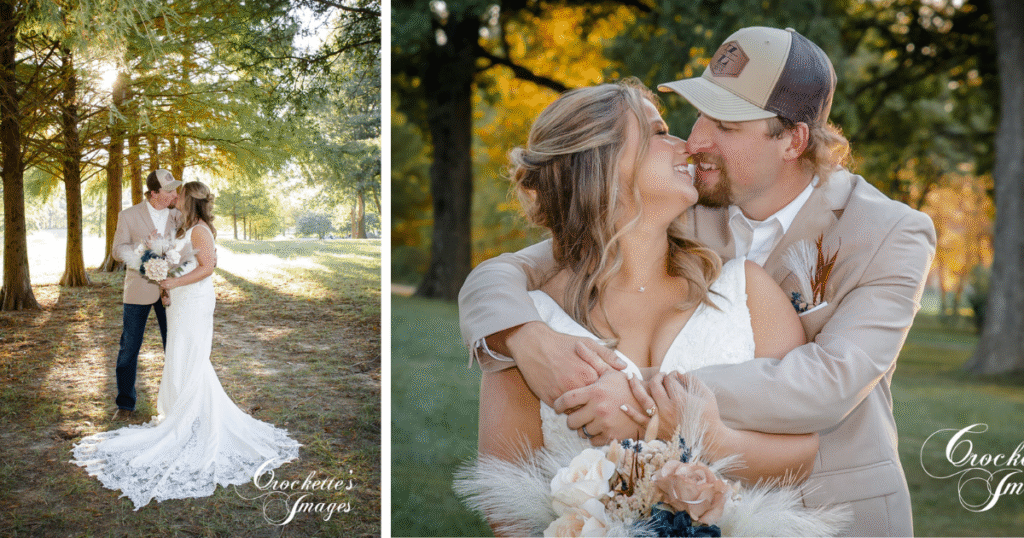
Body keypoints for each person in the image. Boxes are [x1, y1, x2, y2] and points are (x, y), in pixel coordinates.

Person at [459, 27, 935, 537]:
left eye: (726, 124)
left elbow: (828, 383)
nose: (697, 139)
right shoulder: (682, 205)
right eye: (700, 112)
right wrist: (524, 337)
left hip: (839, 511)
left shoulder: (891, 233)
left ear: (793, 140)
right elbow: (512, 270)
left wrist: (636, 397)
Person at [477, 79, 821, 496]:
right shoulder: (528, 324)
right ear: (600, 162)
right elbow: (505, 501)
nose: (687, 146)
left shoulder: (748, 291)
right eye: (659, 133)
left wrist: (699, 434)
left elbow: (803, 455)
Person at [72, 181, 300, 510]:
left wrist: (172, 281)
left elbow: (209, 267)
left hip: (194, 302)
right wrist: (166, 282)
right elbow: (185, 263)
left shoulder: (200, 231)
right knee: (179, 356)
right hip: (179, 302)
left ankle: (194, 419)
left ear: (188, 200)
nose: (173, 197)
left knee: (192, 358)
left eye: (178, 194)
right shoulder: (188, 227)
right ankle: (185, 415)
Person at [109, 169, 182, 421]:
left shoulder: (178, 215)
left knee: (173, 346)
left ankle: (177, 399)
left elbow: (190, 243)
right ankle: (125, 404)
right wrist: (143, 247)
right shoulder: (128, 215)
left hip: (172, 289)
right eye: (170, 190)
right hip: (138, 289)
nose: (175, 193)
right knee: (129, 348)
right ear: (154, 193)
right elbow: (117, 251)